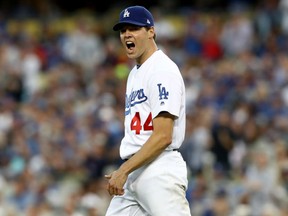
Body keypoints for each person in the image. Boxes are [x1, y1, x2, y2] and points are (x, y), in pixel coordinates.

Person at [105, 5, 191, 216]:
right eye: (123, 30)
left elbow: (163, 136)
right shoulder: (135, 73)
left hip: (158, 168)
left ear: (151, 31)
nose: (126, 35)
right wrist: (127, 170)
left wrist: (123, 171)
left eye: (133, 28)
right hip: (135, 169)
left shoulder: (162, 69)